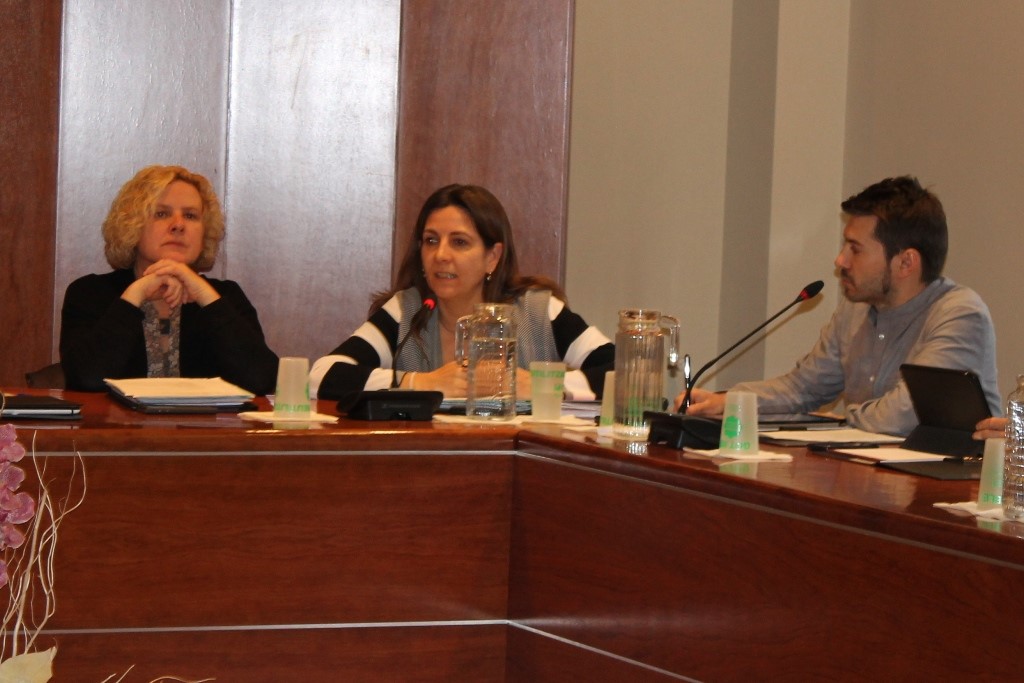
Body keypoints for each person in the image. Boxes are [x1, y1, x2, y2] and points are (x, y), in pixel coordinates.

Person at [674, 176, 1001, 436]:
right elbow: (803, 389)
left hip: (946, 487)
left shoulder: (959, 315)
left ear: (905, 262)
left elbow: (905, 414)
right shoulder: (855, 310)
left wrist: (840, 420)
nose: (840, 260)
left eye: (855, 249)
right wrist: (731, 402)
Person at [311, 183, 614, 401]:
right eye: (431, 241)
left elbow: (623, 373)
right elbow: (320, 375)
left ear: (492, 257)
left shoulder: (538, 311)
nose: (440, 255)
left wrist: (539, 386)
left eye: (459, 242)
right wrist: (420, 383)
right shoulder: (406, 311)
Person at [60, 165, 279, 394]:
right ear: (132, 225)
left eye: (190, 215)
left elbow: (263, 380)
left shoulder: (224, 297)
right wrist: (135, 295)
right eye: (162, 214)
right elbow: (87, 378)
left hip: (206, 420)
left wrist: (204, 296)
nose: (178, 225)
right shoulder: (90, 293)